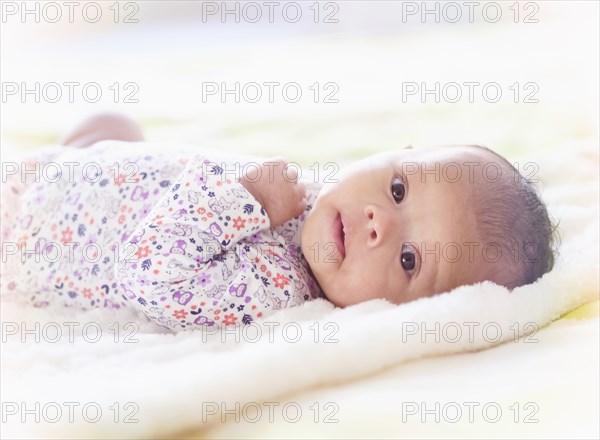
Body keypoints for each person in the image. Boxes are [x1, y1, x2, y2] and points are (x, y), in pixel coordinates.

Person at [0, 113, 558, 330]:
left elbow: (147, 274)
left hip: (25, 229)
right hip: (79, 176)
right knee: (114, 124)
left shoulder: (275, 289)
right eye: (397, 188)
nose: (377, 223)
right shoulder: (319, 199)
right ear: (395, 151)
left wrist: (249, 201)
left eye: (409, 259)